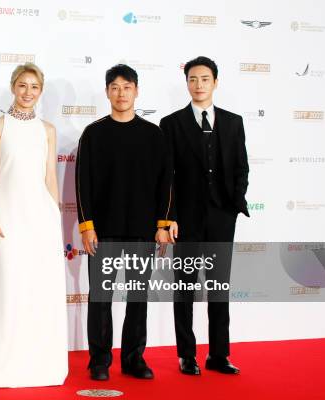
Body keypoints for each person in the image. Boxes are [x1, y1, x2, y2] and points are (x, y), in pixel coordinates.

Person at [76, 64, 176, 381]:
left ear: (136, 90)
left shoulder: (153, 135)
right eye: (115, 87)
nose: (121, 93)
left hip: (142, 231)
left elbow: (167, 184)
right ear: (107, 92)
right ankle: (100, 360)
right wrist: (86, 225)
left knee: (137, 297)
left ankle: (134, 358)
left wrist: (162, 225)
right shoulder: (93, 133)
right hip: (103, 232)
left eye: (127, 86)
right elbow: (82, 183)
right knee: (101, 297)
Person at [0, 63, 68, 387]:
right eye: (23, 85)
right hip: (7, 218)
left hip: (40, 218)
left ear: (41, 91)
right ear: (13, 87)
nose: (28, 92)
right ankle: (2, 364)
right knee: (7, 287)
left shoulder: (48, 130)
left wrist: (55, 217)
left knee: (38, 290)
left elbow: (50, 177)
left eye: (35, 87)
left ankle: (40, 363)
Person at [160, 56, 249, 376]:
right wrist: (169, 217)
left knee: (218, 288)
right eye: (193, 80)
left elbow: (242, 167)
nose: (198, 85)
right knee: (184, 288)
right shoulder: (171, 124)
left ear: (215, 82)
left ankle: (219, 355)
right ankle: (187, 355)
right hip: (186, 219)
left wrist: (235, 204)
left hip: (222, 218)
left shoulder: (233, 121)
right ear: (187, 83)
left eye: (204, 79)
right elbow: (166, 175)